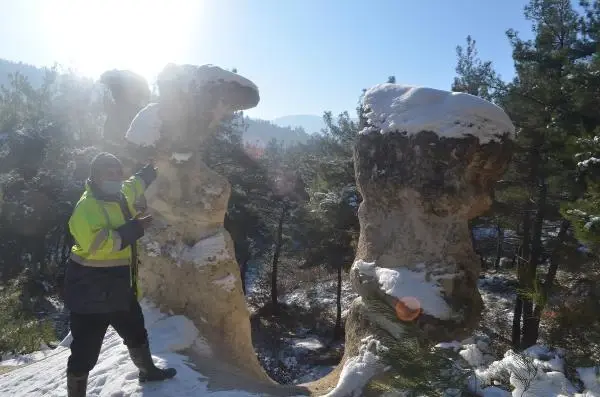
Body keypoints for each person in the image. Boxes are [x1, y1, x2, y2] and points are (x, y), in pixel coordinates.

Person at [64, 152, 176, 397]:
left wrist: (154, 166)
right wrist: (137, 227)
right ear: (95, 176)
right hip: (89, 292)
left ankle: (148, 371)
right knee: (85, 351)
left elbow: (134, 183)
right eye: (109, 173)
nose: (115, 177)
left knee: (136, 332)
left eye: (117, 172)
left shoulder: (119, 193)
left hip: (119, 288)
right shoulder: (86, 208)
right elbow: (98, 244)